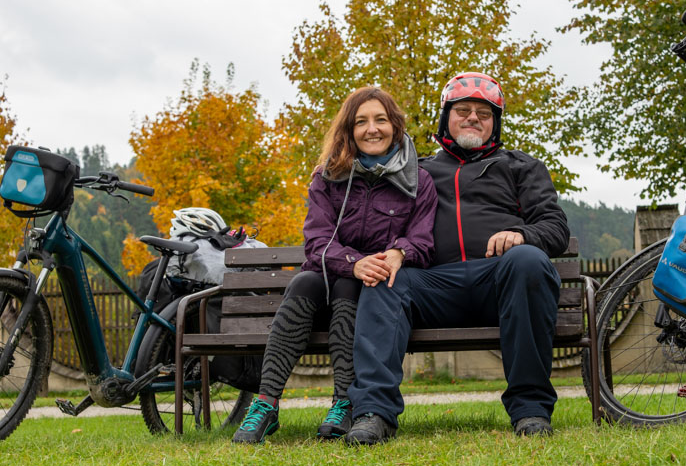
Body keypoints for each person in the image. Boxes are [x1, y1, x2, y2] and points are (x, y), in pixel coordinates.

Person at [345, 72, 571, 445]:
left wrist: (523, 235)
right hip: (435, 286)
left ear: (495, 122)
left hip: (501, 283)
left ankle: (531, 409)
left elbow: (555, 227)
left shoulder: (522, 167)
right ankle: (373, 413)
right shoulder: (416, 172)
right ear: (445, 118)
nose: (473, 118)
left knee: (528, 260)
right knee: (386, 277)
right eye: (463, 110)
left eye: (484, 113)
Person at [232, 86, 437, 443]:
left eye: (381, 120)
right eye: (361, 122)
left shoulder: (419, 180)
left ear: (395, 126)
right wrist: (353, 262)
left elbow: (423, 240)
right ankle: (265, 404)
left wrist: (398, 252)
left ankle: (344, 402)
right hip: (326, 285)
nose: (372, 129)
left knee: (350, 286)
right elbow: (317, 242)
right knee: (303, 282)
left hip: (376, 294)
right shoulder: (327, 177)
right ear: (349, 130)